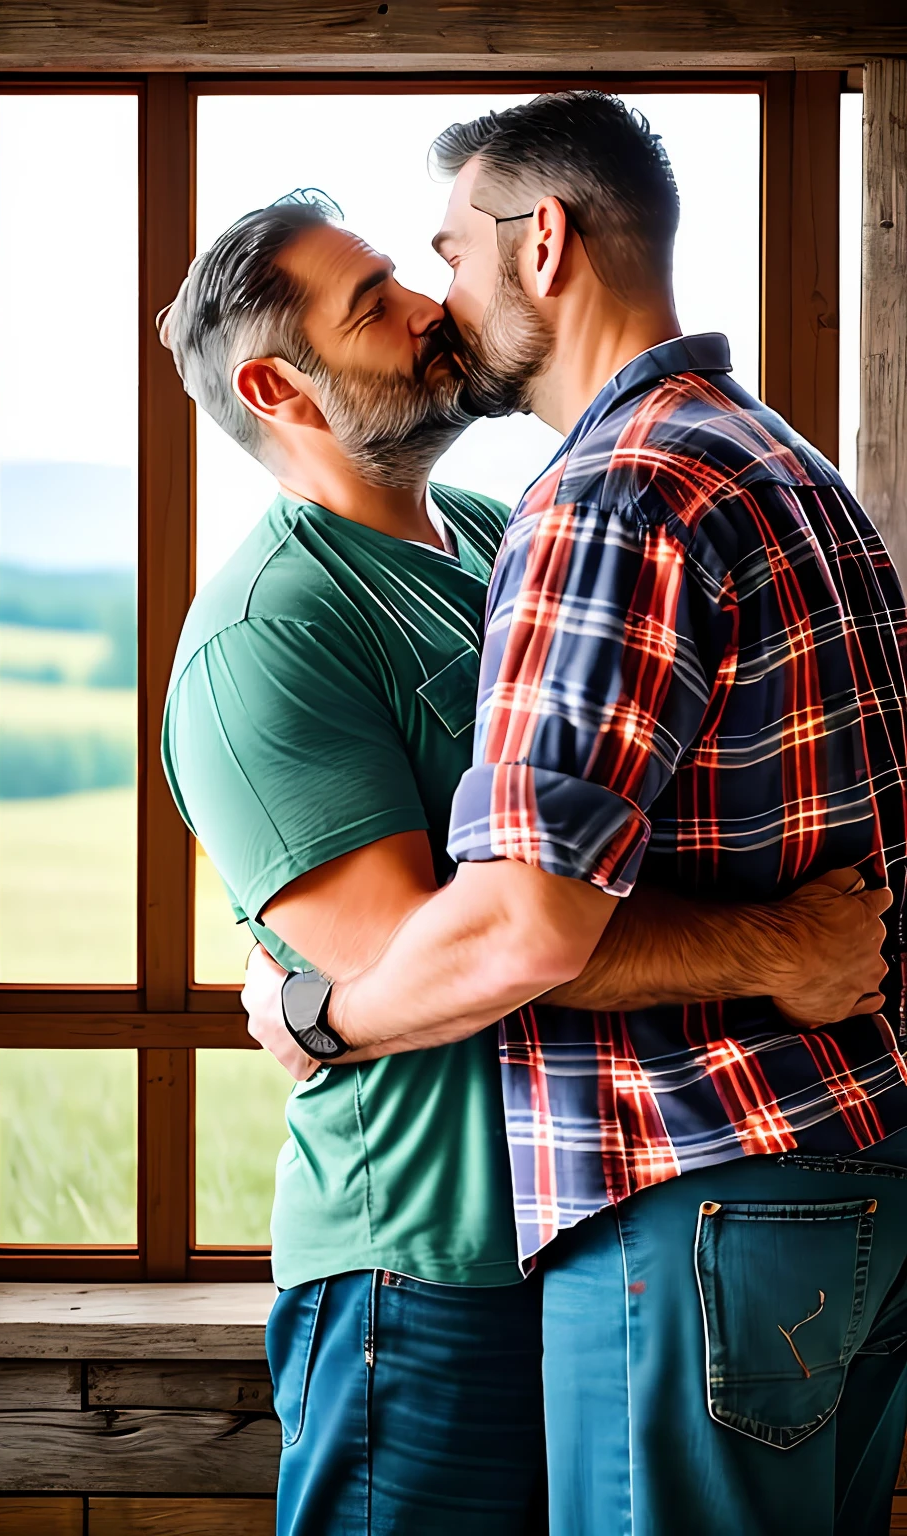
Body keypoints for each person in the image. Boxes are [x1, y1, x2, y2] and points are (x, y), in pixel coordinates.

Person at [160, 190, 889, 1536]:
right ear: (277, 386)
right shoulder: (266, 636)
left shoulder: (505, 538)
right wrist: (778, 951)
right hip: (426, 1276)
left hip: (606, 1224)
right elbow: (418, 954)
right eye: (375, 304)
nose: (434, 308)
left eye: (405, 278)